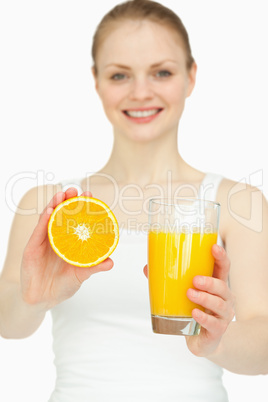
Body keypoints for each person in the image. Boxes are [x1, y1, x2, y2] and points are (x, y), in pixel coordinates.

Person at [0, 0, 268, 401]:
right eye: (120, 75)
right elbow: (10, 324)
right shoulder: (50, 206)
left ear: (191, 77)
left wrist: (218, 339)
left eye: (162, 72)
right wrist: (33, 298)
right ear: (96, 81)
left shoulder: (235, 203)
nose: (141, 92)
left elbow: (263, 345)